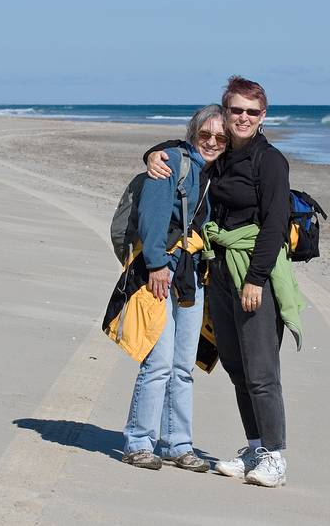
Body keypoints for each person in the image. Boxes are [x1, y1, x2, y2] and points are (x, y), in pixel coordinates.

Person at [144, 76, 303, 487]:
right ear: (225, 111)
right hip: (220, 272)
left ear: (264, 116)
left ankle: (276, 456)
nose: (244, 118)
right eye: (237, 111)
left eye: (252, 112)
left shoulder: (271, 162)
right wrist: (152, 155)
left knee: (261, 371)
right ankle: (254, 447)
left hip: (254, 273)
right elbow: (188, 151)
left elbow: (274, 225)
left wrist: (256, 279)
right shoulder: (224, 154)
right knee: (234, 366)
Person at [121, 104, 228, 471]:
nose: (212, 142)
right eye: (205, 135)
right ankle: (139, 441)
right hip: (163, 271)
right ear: (192, 134)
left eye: (220, 137)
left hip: (193, 276)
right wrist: (155, 265)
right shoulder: (170, 165)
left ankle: (177, 444)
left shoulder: (218, 173)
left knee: (183, 366)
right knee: (159, 362)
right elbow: (152, 217)